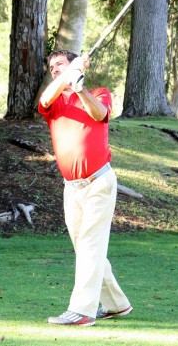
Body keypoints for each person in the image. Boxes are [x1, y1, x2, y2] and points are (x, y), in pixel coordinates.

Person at [38, 50, 132, 326]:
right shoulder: (53, 102)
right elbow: (44, 98)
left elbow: (100, 113)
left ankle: (82, 310)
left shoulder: (99, 93)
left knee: (90, 244)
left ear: (77, 66)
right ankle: (117, 304)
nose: (55, 70)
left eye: (61, 65)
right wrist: (69, 74)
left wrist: (79, 87)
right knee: (85, 248)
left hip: (98, 182)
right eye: (52, 67)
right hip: (72, 187)